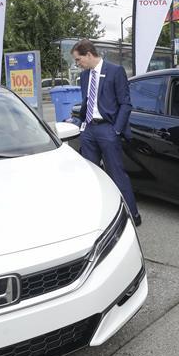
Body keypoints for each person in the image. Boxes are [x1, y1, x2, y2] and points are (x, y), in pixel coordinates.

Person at [72, 39, 141, 227]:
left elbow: (125, 104)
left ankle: (133, 215)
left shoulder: (115, 71)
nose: (77, 64)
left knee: (117, 174)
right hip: (89, 130)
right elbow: (87, 102)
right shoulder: (85, 76)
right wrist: (80, 122)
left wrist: (116, 130)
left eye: (78, 59)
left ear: (88, 54)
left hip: (108, 129)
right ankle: (98, 218)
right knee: (92, 176)